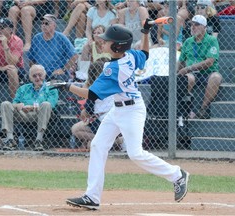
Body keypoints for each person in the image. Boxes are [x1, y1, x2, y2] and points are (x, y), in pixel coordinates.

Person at [56, 22, 190, 210]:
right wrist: (145, 32)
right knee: (97, 145)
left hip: (132, 111)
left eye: (107, 41)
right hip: (118, 110)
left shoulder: (113, 68)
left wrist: (67, 86)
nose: (102, 43)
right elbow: (144, 54)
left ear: (117, 46)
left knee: (135, 153)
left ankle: (177, 175)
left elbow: (91, 95)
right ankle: (92, 197)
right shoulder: (129, 55)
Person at [0, 64, 59, 151]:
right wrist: (18, 105)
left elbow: (51, 105)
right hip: (22, 113)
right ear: (30, 78)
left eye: (40, 75)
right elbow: (14, 103)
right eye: (34, 76)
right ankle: (10, 139)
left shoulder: (51, 89)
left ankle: (39, 140)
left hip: (40, 113)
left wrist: (32, 107)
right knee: (5, 104)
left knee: (46, 104)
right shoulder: (23, 88)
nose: (37, 78)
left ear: (45, 75)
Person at [177, 15, 221, 119]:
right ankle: (183, 107)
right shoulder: (188, 41)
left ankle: (202, 108)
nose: (193, 27)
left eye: (197, 24)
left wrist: (189, 68)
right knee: (189, 78)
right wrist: (177, 73)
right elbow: (181, 62)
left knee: (216, 77)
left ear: (205, 27)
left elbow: (209, 62)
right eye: (191, 24)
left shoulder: (211, 40)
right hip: (191, 74)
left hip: (208, 72)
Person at [71, 58, 114, 149]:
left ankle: (115, 141)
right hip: (112, 120)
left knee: (77, 131)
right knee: (91, 144)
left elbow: (88, 110)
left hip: (102, 121)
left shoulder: (95, 88)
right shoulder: (113, 83)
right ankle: (107, 141)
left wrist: (84, 111)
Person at [28, 14, 78, 81]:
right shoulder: (37, 38)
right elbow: (31, 59)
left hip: (56, 74)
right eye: (42, 23)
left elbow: (74, 56)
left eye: (47, 23)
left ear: (54, 25)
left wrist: (63, 69)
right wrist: (35, 70)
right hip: (40, 74)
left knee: (57, 79)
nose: (44, 25)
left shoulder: (61, 38)